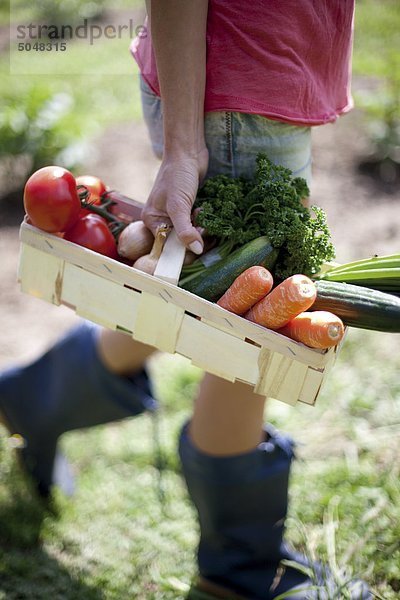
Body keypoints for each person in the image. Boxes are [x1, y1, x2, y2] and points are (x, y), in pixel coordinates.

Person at [0, 1, 371, 598]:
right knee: (247, 345)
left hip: (249, 82)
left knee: (190, 300)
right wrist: (183, 149)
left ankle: (34, 398)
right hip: (236, 92)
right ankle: (243, 573)